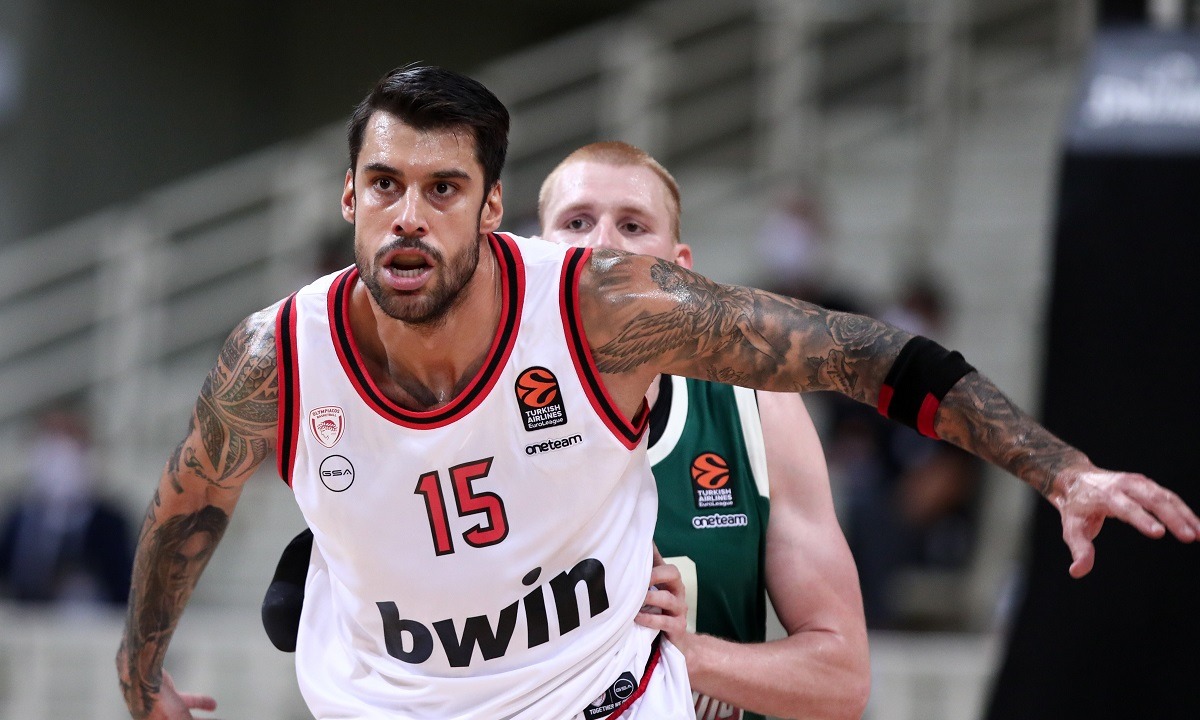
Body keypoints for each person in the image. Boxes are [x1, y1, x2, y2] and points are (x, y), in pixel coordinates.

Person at [116, 65, 1200, 720]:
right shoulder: (275, 356)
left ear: (489, 211)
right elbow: (181, 515)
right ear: (349, 198)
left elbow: (861, 354)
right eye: (386, 185)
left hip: (602, 698)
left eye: (442, 189)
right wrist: (140, 671)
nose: (410, 215)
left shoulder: (605, 310)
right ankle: (342, 570)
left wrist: (1060, 469)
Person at [261, 139, 871, 720]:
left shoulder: (756, 410)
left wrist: (678, 655)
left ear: (680, 269)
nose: (603, 245)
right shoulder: (462, 412)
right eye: (577, 223)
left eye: (633, 225)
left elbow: (842, 681)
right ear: (533, 256)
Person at [0, 409, 134, 607]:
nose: (58, 462)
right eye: (51, 445)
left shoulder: (110, 523)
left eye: (68, 446)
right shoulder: (19, 518)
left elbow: (123, 586)